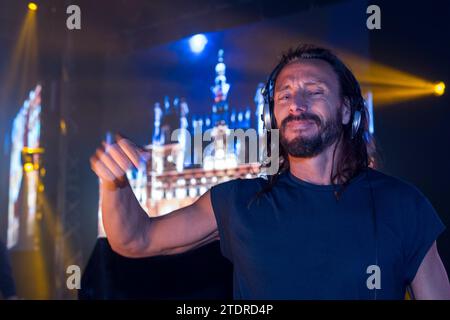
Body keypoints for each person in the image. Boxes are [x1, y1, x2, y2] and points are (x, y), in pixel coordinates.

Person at [90, 44, 450, 299]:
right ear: (271, 117)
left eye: (315, 91)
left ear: (346, 110)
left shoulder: (402, 204)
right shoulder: (239, 201)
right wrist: (115, 183)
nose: (297, 103)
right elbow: (135, 240)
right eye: (285, 95)